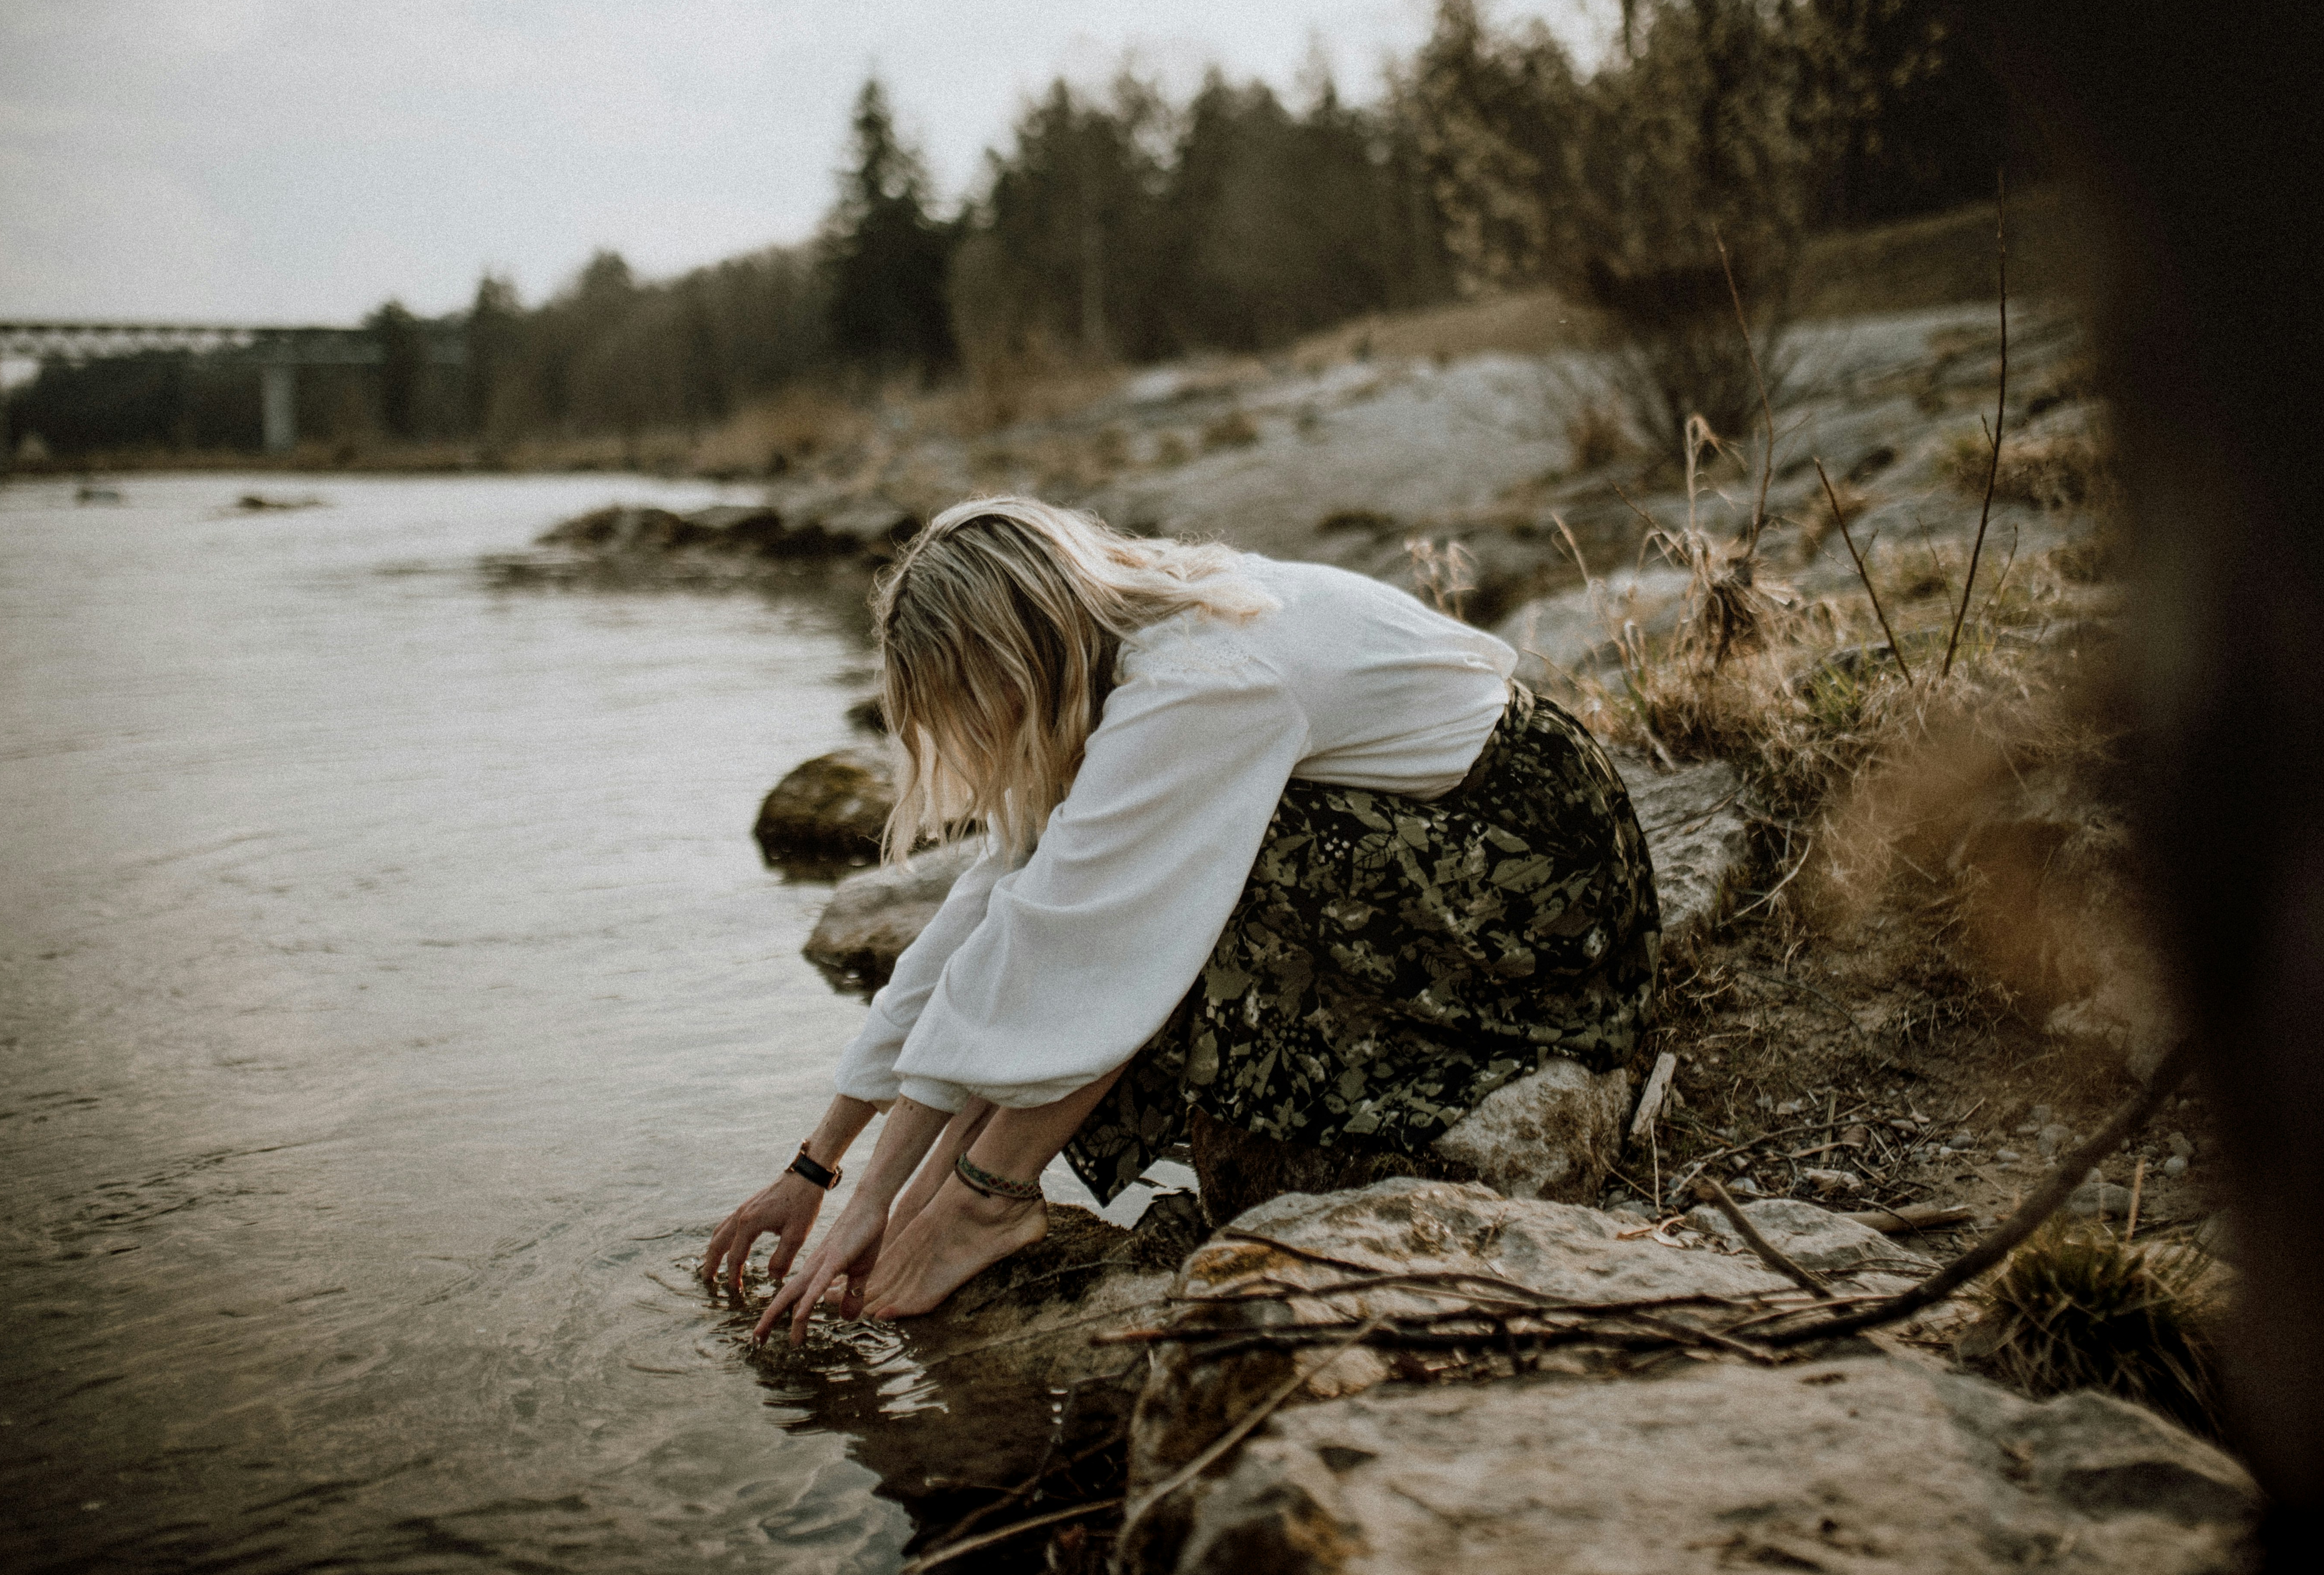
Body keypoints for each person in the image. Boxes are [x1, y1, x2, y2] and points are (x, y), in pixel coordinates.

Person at [703, 497, 1659, 1342]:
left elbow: (1074, 948)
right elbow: (991, 908)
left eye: (967, 700)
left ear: (1014, 652)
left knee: (1139, 904)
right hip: (1459, 825)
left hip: (1538, 864)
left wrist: (921, 1188)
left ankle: (985, 1205)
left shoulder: (1202, 680)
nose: (973, 734)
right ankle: (957, 1201)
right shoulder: (1118, 628)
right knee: (1074, 901)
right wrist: (822, 1169)